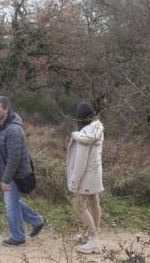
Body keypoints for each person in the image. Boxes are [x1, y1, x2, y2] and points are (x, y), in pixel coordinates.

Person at [0, 95, 45, 246]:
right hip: (8, 171)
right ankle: (37, 220)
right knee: (13, 202)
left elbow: (14, 158)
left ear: (6, 109)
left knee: (11, 204)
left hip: (14, 174)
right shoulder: (4, 125)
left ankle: (18, 236)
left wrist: (6, 179)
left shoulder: (13, 129)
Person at [67, 101, 104, 254]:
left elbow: (80, 161)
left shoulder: (82, 135)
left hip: (85, 176)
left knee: (79, 205)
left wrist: (74, 181)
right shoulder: (97, 129)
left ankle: (94, 240)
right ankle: (92, 236)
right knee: (95, 202)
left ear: (79, 117)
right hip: (95, 172)